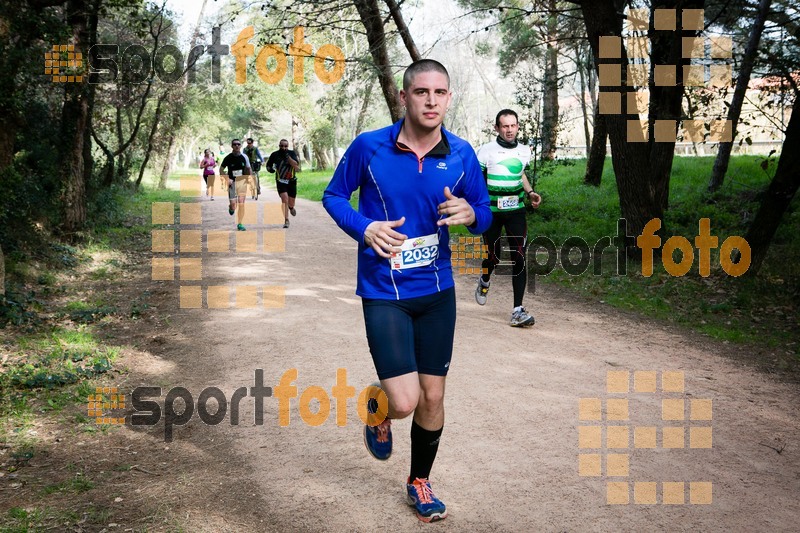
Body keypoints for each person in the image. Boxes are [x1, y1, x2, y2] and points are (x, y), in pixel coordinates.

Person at [323, 59, 491, 523]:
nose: (431, 101)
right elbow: (334, 196)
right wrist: (365, 227)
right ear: (404, 97)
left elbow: (484, 209)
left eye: (440, 92)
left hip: (437, 290)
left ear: (449, 97)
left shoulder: (461, 155)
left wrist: (473, 215)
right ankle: (377, 406)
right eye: (422, 92)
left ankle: (419, 481)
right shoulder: (369, 147)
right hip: (383, 291)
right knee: (405, 401)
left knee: (433, 397)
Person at [474, 109, 542, 327]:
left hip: (516, 211)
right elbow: (477, 181)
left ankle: (517, 310)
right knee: (493, 257)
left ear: (518, 127)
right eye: (505, 126)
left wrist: (530, 192)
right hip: (491, 212)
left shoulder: (524, 151)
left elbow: (520, 173)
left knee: (519, 256)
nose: (509, 130)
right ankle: (485, 279)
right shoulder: (486, 151)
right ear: (497, 128)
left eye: (513, 125)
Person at [266, 139, 301, 228]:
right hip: (280, 181)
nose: (283, 148)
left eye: (285, 146)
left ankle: (291, 208)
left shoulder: (292, 153)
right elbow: (268, 165)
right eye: (281, 146)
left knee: (291, 203)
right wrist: (270, 169)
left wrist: (288, 157)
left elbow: (296, 165)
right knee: (284, 199)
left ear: (288, 146)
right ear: (279, 146)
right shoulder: (274, 154)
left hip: (292, 181)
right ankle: (286, 220)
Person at [219, 139, 252, 231]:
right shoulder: (228, 158)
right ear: (232, 146)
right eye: (234, 144)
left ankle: (240, 223)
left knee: (241, 203)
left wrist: (249, 178)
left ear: (240, 146)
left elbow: (248, 169)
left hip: (242, 182)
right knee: (234, 205)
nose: (236, 146)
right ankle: (231, 207)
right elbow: (221, 169)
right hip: (232, 182)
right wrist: (227, 178)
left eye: (238, 144)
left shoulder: (244, 157)